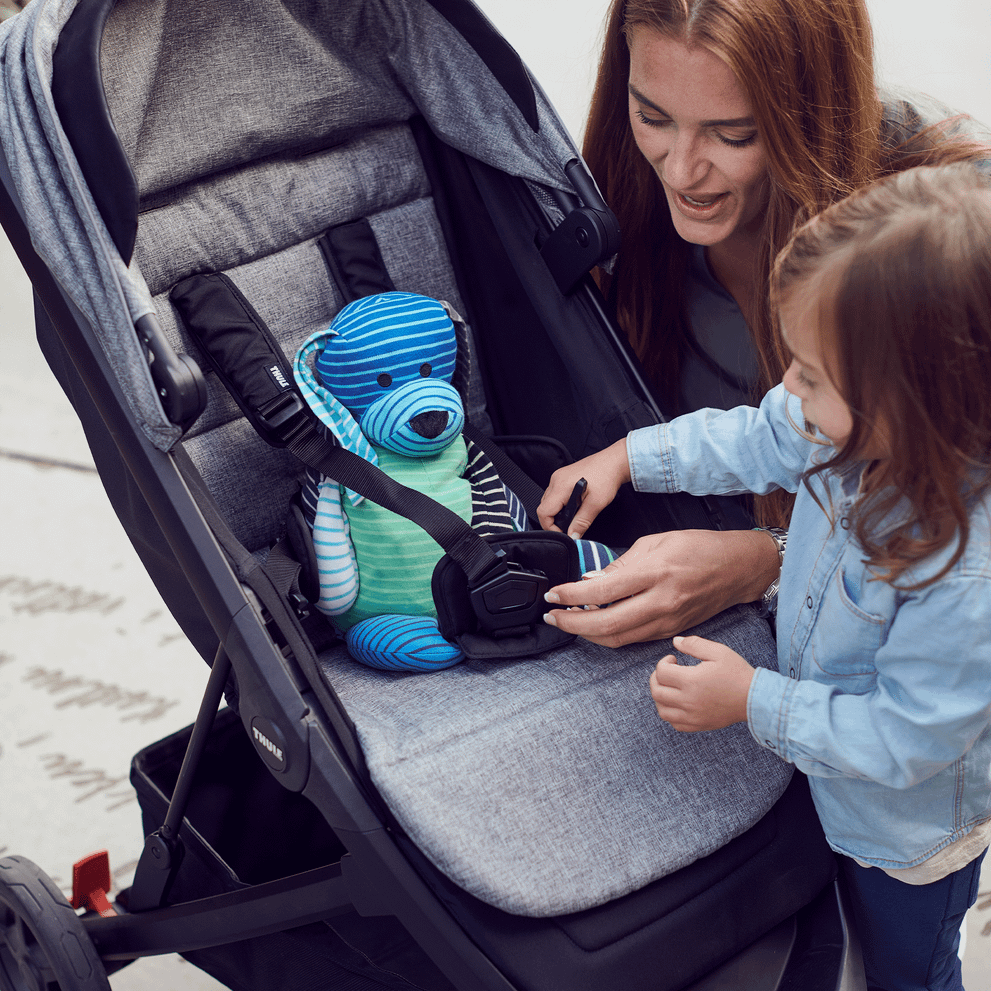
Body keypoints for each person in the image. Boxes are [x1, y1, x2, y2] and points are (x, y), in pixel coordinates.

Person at [551, 162, 991, 990]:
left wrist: (753, 699)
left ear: (915, 404)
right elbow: (754, 436)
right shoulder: (842, 423)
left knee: (907, 970)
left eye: (812, 377)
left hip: (903, 837)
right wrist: (626, 459)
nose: (788, 386)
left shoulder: (964, 578)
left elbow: (902, 740)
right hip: (819, 772)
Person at [537, 0, 991, 646]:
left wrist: (764, 560)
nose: (681, 170)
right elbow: (761, 438)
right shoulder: (620, 198)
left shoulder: (949, 234)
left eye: (734, 135)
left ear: (808, 110)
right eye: (651, 116)